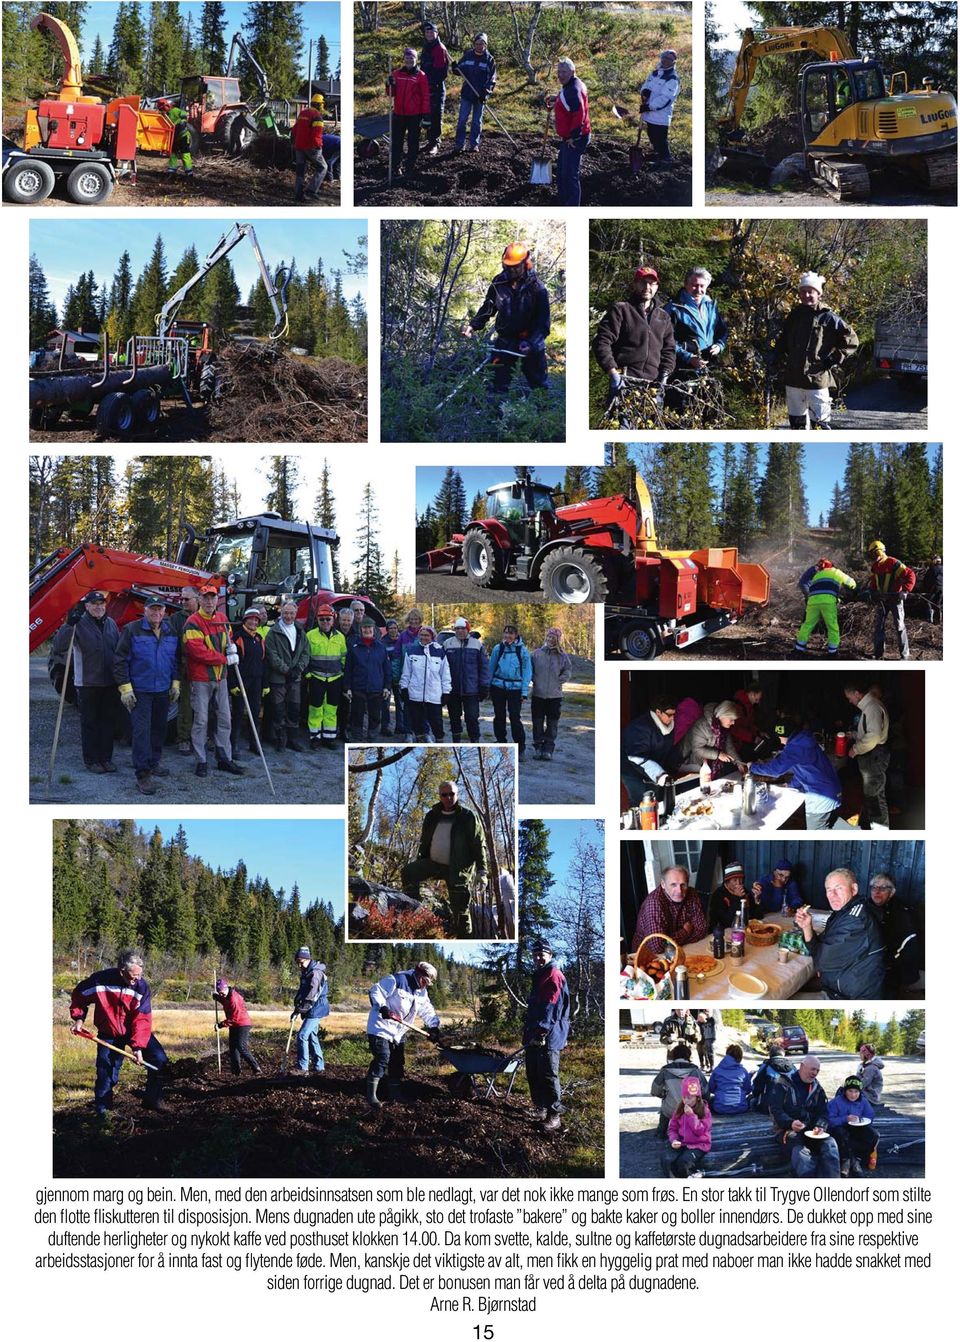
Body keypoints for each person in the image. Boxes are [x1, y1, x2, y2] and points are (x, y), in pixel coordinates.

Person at [70, 950, 168, 1117]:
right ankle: (103, 1114)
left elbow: (142, 1019)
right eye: (133, 975)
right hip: (109, 1033)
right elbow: (79, 996)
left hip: (133, 1031)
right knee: (106, 1074)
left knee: (159, 1059)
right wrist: (79, 1019)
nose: (137, 979)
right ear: (121, 970)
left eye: (140, 975)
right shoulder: (100, 980)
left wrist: (137, 1047)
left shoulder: (141, 987)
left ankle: (152, 1098)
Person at [462, 243, 550, 396]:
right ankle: (496, 416)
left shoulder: (538, 289)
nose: (511, 270)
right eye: (508, 266)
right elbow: (489, 307)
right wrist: (473, 325)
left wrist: (531, 344)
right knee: (496, 385)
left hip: (530, 343)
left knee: (539, 388)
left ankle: (542, 418)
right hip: (505, 342)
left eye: (515, 266)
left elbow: (543, 324)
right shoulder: (499, 282)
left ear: (525, 264)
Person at [773, 271, 859, 429]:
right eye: (803, 291)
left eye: (810, 292)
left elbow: (852, 340)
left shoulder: (828, 318)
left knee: (820, 425)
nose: (806, 295)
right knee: (797, 425)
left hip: (817, 380)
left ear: (818, 294)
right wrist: (775, 358)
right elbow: (783, 340)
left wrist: (835, 358)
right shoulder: (794, 316)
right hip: (793, 380)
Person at [401, 780, 487, 936]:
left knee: (460, 910)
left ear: (457, 794)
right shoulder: (432, 815)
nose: (448, 797)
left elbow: (478, 844)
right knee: (409, 872)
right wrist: (421, 857)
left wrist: (482, 871)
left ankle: (464, 936)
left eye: (452, 794)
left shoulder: (468, 817)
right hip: (433, 863)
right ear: (439, 796)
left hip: (458, 869)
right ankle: (412, 914)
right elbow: (425, 840)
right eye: (444, 794)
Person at [113, 597, 179, 796]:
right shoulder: (132, 630)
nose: (156, 613)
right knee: (142, 732)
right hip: (140, 691)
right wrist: (125, 688)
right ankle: (142, 774)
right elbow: (120, 660)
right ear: (146, 610)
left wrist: (176, 683)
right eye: (152, 609)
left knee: (159, 728)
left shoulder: (170, 631)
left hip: (162, 691)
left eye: (159, 610)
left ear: (164, 612)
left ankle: (153, 762)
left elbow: (176, 660)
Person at [593, 265, 676, 417]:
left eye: (651, 283)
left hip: (653, 386)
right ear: (635, 284)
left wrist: (663, 377)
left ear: (657, 286)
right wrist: (613, 373)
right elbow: (602, 342)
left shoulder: (663, 317)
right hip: (624, 381)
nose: (647, 287)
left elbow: (669, 350)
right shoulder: (621, 310)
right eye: (642, 282)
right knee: (622, 426)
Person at [795, 867, 887, 999]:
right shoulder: (842, 912)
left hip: (851, 996)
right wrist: (807, 927)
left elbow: (822, 961)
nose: (832, 895)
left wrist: (822, 963)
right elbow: (822, 948)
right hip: (836, 985)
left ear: (854, 889)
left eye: (838, 888)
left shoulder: (857, 919)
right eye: (828, 890)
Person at [56, 590, 120, 775]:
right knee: (90, 723)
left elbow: (118, 649)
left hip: (109, 682)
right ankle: (91, 760)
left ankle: (106, 759)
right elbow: (60, 646)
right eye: (94, 604)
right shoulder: (78, 624)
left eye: (102, 604)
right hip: (87, 683)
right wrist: (68, 625)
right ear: (87, 606)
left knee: (108, 723)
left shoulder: (111, 624)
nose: (99, 607)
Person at [183, 585, 244, 779]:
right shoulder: (192, 622)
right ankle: (201, 760)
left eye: (213, 598)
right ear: (199, 599)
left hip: (222, 678)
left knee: (225, 718)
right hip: (201, 678)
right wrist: (225, 659)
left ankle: (223, 757)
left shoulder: (222, 619)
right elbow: (197, 651)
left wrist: (232, 649)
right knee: (201, 720)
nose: (209, 602)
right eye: (205, 598)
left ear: (217, 599)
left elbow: (228, 639)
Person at [366, 961, 441, 1110]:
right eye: (424, 981)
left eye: (428, 983)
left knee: (397, 1061)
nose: (425, 985)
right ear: (419, 974)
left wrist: (434, 1027)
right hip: (381, 1026)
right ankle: (371, 1095)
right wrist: (383, 1008)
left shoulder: (421, 992)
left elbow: (426, 1009)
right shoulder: (397, 980)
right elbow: (376, 990)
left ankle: (395, 1094)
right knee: (383, 1058)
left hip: (399, 1032)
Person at [750, 711, 842, 829]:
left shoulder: (794, 748)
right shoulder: (805, 740)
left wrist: (752, 767)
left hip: (821, 798)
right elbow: (806, 771)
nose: (779, 740)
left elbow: (775, 770)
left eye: (780, 736)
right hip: (834, 791)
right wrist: (791, 784)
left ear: (786, 735)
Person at [524, 938, 571, 1133]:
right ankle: (541, 1108)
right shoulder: (540, 975)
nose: (537, 958)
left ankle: (554, 1115)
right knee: (533, 1071)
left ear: (549, 955)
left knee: (548, 1074)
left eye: (541, 954)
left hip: (548, 1035)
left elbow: (551, 1006)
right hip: (535, 1033)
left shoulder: (553, 975)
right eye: (535, 954)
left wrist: (541, 1031)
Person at [665, 267, 727, 408]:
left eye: (702, 286)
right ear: (686, 284)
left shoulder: (711, 306)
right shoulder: (674, 307)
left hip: (708, 367)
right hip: (682, 370)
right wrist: (688, 357)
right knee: (683, 409)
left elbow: (722, 331)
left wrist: (719, 345)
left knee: (707, 410)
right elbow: (666, 340)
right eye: (694, 285)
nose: (698, 289)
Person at [769, 1055, 841, 1177]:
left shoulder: (817, 1088)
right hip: (787, 1131)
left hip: (812, 1131)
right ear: (802, 1066)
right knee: (801, 1153)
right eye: (812, 1069)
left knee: (830, 1144)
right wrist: (790, 1123)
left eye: (817, 1070)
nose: (815, 1073)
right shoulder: (781, 1083)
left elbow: (823, 1112)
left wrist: (820, 1126)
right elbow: (776, 1110)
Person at [843, 681, 890, 830]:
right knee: (871, 795)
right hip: (873, 755)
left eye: (849, 697)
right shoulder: (869, 707)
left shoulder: (872, 708)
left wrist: (855, 749)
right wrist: (856, 734)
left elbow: (874, 737)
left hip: (874, 756)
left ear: (857, 693)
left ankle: (880, 830)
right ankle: (873, 825)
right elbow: (869, 731)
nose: (849, 701)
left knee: (874, 796)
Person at [544, 59, 591, 207]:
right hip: (569, 137)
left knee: (570, 175)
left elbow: (579, 113)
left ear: (572, 72)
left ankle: (571, 207)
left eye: (564, 72)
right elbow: (569, 102)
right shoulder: (571, 85)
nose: (560, 75)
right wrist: (556, 99)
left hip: (575, 138)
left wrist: (574, 136)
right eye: (558, 72)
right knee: (563, 172)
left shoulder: (573, 90)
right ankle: (563, 203)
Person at [621, 693, 683, 802]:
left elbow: (670, 750)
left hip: (654, 770)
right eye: (669, 714)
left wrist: (679, 765)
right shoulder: (639, 728)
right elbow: (637, 757)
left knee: (658, 800)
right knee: (642, 801)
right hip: (631, 769)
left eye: (674, 714)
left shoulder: (669, 724)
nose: (672, 718)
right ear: (658, 712)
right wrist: (659, 774)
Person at [265, 600, 309, 752]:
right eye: (286, 613)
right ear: (281, 613)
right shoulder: (273, 632)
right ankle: (280, 740)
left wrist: (298, 669)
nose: (288, 616)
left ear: (296, 614)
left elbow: (305, 653)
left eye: (291, 613)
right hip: (278, 679)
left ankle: (292, 740)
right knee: (278, 710)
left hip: (295, 678)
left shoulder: (300, 632)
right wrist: (286, 670)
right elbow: (272, 655)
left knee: (294, 709)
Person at [630, 865, 707, 951]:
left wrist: (672, 941)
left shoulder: (692, 893)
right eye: (673, 885)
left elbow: (701, 930)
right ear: (663, 884)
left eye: (683, 885)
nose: (679, 891)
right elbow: (657, 946)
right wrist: (685, 932)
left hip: (681, 949)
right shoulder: (654, 902)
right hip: (648, 956)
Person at [868, 872, 922, 993]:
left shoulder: (902, 913)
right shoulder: (865, 907)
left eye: (882, 888)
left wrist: (881, 963)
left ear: (892, 892)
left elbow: (907, 947)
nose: (876, 892)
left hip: (893, 966)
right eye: (874, 887)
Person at [795, 557, 858, 657]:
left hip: (812, 602)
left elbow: (806, 583)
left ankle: (798, 649)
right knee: (832, 627)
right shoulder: (836, 572)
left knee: (807, 625)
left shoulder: (817, 575)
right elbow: (851, 583)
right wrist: (854, 589)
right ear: (832, 566)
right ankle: (832, 652)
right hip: (828, 603)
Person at [442, 617, 490, 743]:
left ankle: (475, 741)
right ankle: (456, 741)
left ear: (467, 629)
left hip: (471, 690)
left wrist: (484, 686)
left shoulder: (477, 644)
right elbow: (441, 667)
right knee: (454, 718)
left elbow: (484, 667)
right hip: (453, 690)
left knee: (472, 718)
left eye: (462, 628)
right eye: (457, 628)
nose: (460, 631)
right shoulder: (447, 644)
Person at [305, 603, 346, 749]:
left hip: (335, 679)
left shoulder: (340, 637)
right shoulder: (310, 635)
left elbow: (344, 658)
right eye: (322, 619)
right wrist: (309, 674)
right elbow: (305, 657)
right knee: (315, 709)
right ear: (317, 620)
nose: (325, 622)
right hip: (317, 678)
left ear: (333, 619)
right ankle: (315, 738)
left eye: (328, 619)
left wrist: (342, 674)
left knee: (331, 709)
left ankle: (329, 738)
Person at [866, 539, 915, 660]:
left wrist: (905, 590)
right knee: (879, 626)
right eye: (872, 554)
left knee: (899, 626)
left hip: (895, 599)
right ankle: (878, 654)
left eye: (876, 553)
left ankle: (905, 655)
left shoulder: (893, 563)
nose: (874, 556)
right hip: (881, 600)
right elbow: (873, 582)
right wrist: (871, 591)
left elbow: (910, 574)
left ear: (881, 552)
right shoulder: (875, 567)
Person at [400, 623, 450, 742]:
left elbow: (445, 674)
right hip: (415, 694)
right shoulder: (411, 651)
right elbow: (406, 672)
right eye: (421, 635)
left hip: (433, 695)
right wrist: (404, 688)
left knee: (436, 722)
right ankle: (420, 741)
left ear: (432, 636)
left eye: (427, 635)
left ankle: (439, 741)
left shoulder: (440, 652)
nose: (423, 637)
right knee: (417, 722)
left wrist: (446, 692)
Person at [489, 623, 532, 757]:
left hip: (515, 689)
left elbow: (527, 672)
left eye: (511, 633)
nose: (508, 636)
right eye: (506, 633)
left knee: (515, 717)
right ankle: (501, 743)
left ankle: (520, 748)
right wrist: (488, 687)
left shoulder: (523, 651)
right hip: (498, 687)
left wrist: (524, 692)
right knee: (499, 716)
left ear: (516, 635)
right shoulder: (498, 648)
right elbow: (491, 668)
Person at [228, 608, 267, 756]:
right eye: (251, 619)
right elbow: (231, 664)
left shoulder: (259, 638)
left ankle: (254, 743)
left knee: (255, 713)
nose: (254, 622)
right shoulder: (237, 638)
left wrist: (265, 684)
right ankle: (234, 745)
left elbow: (264, 662)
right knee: (238, 713)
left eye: (256, 620)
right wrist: (232, 684)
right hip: (241, 681)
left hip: (256, 682)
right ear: (245, 620)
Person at [345, 615, 391, 741]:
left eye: (369, 627)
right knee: (357, 714)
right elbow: (348, 669)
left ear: (374, 629)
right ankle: (357, 737)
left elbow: (387, 669)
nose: (367, 630)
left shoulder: (381, 647)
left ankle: (372, 736)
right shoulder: (354, 648)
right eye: (364, 628)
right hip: (358, 687)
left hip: (376, 687)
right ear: (361, 630)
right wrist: (347, 687)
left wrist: (387, 686)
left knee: (375, 715)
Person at [387, 48, 431, 177]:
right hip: (399, 114)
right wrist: (388, 85)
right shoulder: (396, 74)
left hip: (414, 115)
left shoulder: (421, 75)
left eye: (411, 58)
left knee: (413, 142)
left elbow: (425, 96)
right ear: (404, 59)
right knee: (396, 142)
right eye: (407, 58)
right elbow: (391, 94)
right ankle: (396, 167)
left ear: (416, 59)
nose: (409, 60)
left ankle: (410, 167)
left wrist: (426, 114)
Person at [529, 626, 571, 760]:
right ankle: (538, 747)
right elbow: (528, 670)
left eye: (553, 637)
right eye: (548, 636)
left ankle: (548, 749)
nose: (550, 639)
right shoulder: (536, 654)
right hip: (538, 694)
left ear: (558, 640)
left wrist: (560, 680)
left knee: (552, 724)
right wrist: (533, 679)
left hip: (555, 696)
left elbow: (567, 670)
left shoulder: (563, 656)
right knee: (537, 723)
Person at [650, 1043, 707, 1138]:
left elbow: (654, 1090)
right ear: (688, 1055)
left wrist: (664, 1095)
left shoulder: (665, 1070)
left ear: (673, 1055)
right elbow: (705, 1091)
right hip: (691, 1109)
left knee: (665, 1109)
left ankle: (661, 1131)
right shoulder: (695, 1071)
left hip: (671, 1110)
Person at [453, 32, 497, 153]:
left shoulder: (489, 60)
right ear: (474, 44)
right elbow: (460, 70)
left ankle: (474, 144)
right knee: (462, 119)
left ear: (486, 45)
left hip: (480, 96)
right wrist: (455, 68)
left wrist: (485, 93)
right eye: (477, 44)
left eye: (481, 44)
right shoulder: (468, 55)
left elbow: (492, 79)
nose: (479, 46)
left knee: (477, 121)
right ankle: (459, 145)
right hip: (467, 93)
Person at [168, 586, 199, 755]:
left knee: (206, 703)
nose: (183, 602)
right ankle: (184, 739)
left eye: (187, 599)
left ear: (197, 599)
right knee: (185, 704)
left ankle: (204, 736)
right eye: (182, 599)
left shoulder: (207, 616)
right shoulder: (176, 619)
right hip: (184, 666)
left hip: (204, 667)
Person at [827, 1076, 878, 1177]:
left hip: (857, 1127)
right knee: (841, 1134)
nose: (853, 1094)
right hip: (839, 1128)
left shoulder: (863, 1101)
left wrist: (861, 1120)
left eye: (856, 1091)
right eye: (850, 1091)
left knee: (872, 1135)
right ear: (845, 1090)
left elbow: (870, 1116)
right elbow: (829, 1120)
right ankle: (845, 1160)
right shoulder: (836, 1102)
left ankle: (856, 1159)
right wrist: (845, 1119)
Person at [291, 947, 329, 1076]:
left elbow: (312, 993)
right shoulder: (306, 972)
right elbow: (302, 991)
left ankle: (303, 1068)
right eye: (298, 962)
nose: (299, 965)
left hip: (317, 1008)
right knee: (312, 1036)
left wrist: (303, 1007)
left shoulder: (315, 973)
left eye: (301, 962)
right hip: (311, 1007)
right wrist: (297, 1007)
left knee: (302, 1035)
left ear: (308, 959)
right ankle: (319, 1067)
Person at [682, 700, 746, 777]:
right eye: (731, 720)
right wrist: (718, 755)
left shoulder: (724, 728)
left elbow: (729, 747)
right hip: (695, 766)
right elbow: (697, 749)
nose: (733, 723)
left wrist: (739, 763)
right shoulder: (702, 725)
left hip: (713, 767)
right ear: (723, 715)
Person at [212, 978, 261, 1076]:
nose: (221, 995)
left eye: (222, 993)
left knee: (241, 1046)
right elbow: (225, 1001)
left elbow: (234, 1018)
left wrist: (221, 1025)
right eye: (219, 993)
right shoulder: (226, 996)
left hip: (243, 1024)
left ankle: (256, 1068)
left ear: (226, 988)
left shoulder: (234, 999)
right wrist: (218, 998)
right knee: (233, 1048)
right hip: (234, 1025)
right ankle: (236, 1072)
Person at [639, 49, 680, 161]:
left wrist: (649, 107)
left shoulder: (672, 78)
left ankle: (666, 161)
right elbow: (646, 85)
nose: (666, 60)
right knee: (652, 136)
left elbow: (666, 98)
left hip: (661, 116)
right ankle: (659, 157)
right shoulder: (654, 73)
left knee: (660, 140)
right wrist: (644, 91)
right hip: (649, 115)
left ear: (674, 62)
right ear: (661, 57)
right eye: (665, 57)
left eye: (669, 59)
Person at [668, 1075, 712, 1177]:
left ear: (697, 1097)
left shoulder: (705, 1111)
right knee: (667, 1160)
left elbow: (700, 1131)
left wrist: (691, 1116)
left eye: (690, 1097)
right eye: (684, 1097)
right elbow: (672, 1128)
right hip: (682, 1143)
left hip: (699, 1145)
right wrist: (674, 1140)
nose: (686, 1101)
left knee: (683, 1163)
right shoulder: (679, 1109)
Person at [420, 20, 449, 154]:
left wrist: (431, 84)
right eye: (427, 32)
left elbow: (441, 72)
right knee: (427, 115)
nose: (430, 34)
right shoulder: (426, 47)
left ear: (436, 33)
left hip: (436, 87)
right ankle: (429, 141)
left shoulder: (439, 49)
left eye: (432, 31)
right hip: (425, 86)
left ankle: (435, 143)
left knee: (436, 115)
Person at [291, 94, 327, 202]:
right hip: (311, 147)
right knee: (323, 167)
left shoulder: (302, 113)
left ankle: (298, 195)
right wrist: (318, 147)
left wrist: (293, 142)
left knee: (300, 171)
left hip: (298, 146)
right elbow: (316, 135)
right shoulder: (317, 116)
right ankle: (311, 190)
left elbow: (294, 129)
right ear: (320, 105)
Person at [336, 607, 361, 741]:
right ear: (339, 620)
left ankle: (344, 730)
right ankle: (333, 729)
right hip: (334, 673)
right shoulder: (333, 633)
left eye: (348, 620)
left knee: (346, 705)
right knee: (333, 704)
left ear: (352, 621)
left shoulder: (356, 637)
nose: (345, 623)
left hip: (349, 675)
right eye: (343, 620)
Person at [707, 1043, 752, 1115]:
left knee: (712, 1100)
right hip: (740, 1107)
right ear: (739, 1057)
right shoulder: (743, 1071)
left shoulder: (717, 1070)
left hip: (720, 1108)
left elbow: (711, 1089)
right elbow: (748, 1090)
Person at [730, 683, 772, 761]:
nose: (757, 702)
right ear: (752, 694)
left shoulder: (749, 706)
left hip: (744, 741)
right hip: (736, 745)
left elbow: (750, 724)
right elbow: (735, 729)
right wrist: (752, 738)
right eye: (757, 699)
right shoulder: (737, 705)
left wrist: (758, 732)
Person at [380, 617, 406, 737]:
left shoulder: (402, 640)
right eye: (390, 628)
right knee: (385, 704)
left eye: (395, 628)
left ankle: (400, 726)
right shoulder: (382, 642)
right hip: (386, 677)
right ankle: (385, 727)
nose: (393, 630)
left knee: (399, 703)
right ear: (387, 630)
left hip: (399, 676)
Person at [751, 1045, 793, 1114]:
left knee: (752, 1101)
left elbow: (757, 1085)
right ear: (783, 1054)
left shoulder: (766, 1065)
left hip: (770, 1107)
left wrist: (755, 1096)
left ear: (770, 1055)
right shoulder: (792, 1066)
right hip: (789, 1107)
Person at [157, 98, 194, 177]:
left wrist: (182, 123)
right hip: (173, 137)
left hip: (183, 136)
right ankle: (171, 171)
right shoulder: (164, 116)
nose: (163, 110)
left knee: (185, 154)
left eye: (163, 108)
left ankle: (189, 173)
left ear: (167, 106)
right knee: (173, 154)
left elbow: (184, 115)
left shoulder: (175, 111)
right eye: (161, 109)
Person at [707, 860, 748, 930]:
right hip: (721, 931)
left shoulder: (744, 891)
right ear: (727, 881)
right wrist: (736, 897)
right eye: (735, 880)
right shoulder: (718, 895)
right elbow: (727, 922)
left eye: (740, 879)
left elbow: (757, 915)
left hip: (741, 928)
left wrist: (757, 898)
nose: (738, 883)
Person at [915, 555, 942, 623]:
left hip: (934, 587)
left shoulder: (932, 569)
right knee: (938, 603)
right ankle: (939, 619)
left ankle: (929, 619)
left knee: (928, 602)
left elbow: (926, 580)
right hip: (942, 588)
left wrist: (925, 588)